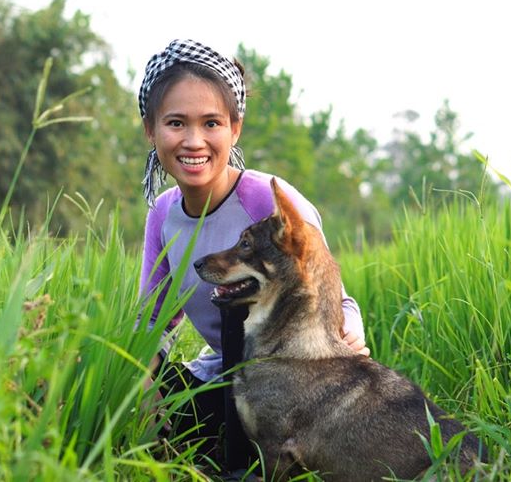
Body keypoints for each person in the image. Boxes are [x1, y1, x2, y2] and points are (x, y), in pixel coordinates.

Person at [137, 39, 368, 472]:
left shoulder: (269, 202)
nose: (194, 140)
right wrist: (143, 379)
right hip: (226, 378)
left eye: (211, 123)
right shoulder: (163, 215)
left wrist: (347, 338)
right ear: (151, 129)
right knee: (130, 394)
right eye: (175, 123)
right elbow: (152, 320)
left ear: (235, 128)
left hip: (296, 378)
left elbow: (337, 300)